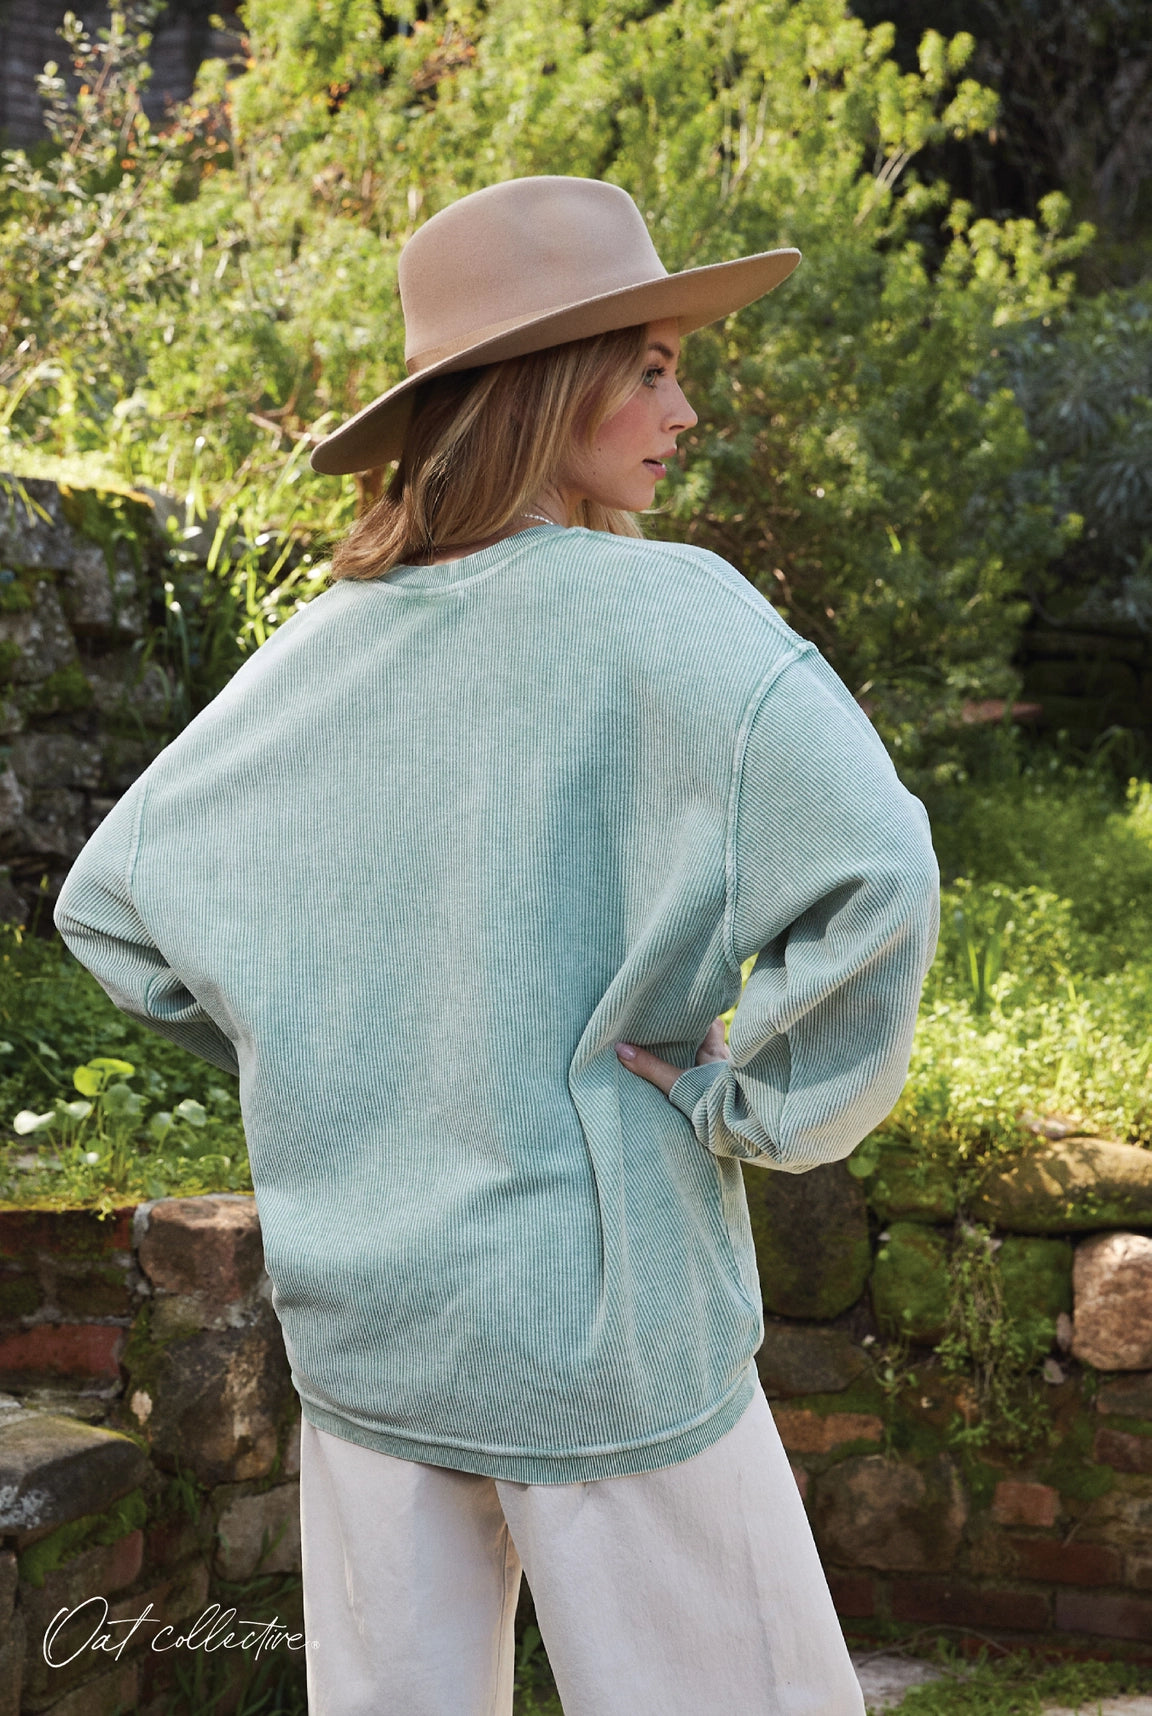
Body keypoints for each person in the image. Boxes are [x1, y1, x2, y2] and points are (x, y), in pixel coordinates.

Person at [55, 176, 940, 1716]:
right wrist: (752, 1102)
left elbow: (115, 907)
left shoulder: (317, 652)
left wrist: (328, 1052)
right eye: (650, 365)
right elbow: (882, 874)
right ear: (546, 385)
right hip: (607, 1327)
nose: (684, 407)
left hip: (374, 1324)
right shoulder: (676, 617)